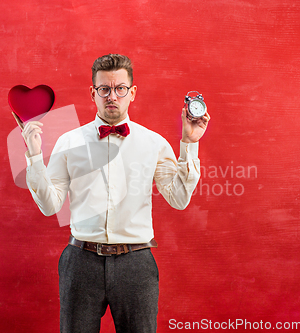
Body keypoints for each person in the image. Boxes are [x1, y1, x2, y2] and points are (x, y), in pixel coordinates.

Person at [21, 54, 209, 333]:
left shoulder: (153, 143)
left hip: (136, 263)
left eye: (120, 88)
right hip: (80, 261)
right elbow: (50, 206)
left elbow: (179, 199)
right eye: (104, 89)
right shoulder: (68, 141)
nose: (112, 96)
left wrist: (189, 144)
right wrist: (34, 156)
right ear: (93, 93)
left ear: (132, 93)